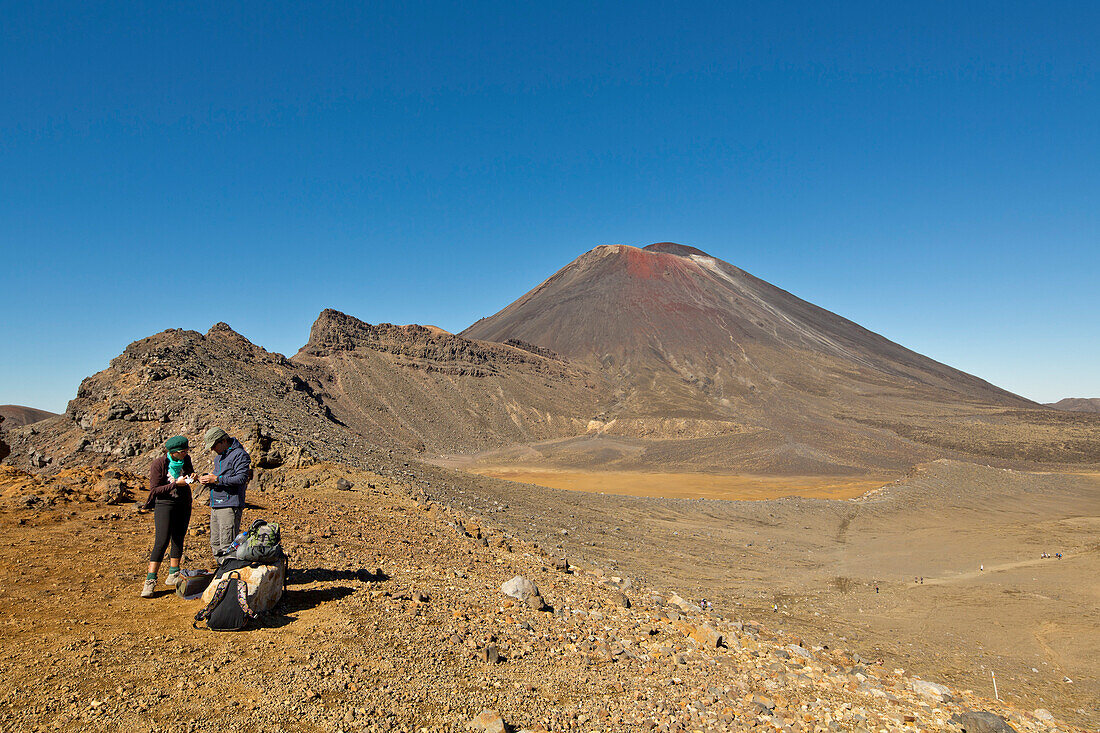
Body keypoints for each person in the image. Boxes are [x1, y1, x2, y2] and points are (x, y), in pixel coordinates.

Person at [142, 435, 195, 598]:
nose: (185, 454)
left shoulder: (186, 460)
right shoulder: (159, 464)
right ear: (173, 452)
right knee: (162, 540)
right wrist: (175, 484)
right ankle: (150, 580)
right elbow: (154, 490)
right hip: (165, 504)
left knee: (178, 537)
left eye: (186, 451)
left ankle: (173, 573)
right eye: (182, 452)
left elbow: (189, 473)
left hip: (183, 503)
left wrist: (192, 478)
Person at [199, 427, 251, 559]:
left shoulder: (240, 455)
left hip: (229, 505)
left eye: (213, 446)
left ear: (222, 441)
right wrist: (208, 479)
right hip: (216, 504)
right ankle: (221, 571)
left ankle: (229, 574)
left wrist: (216, 479)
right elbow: (220, 477)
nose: (212, 450)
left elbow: (241, 478)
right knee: (215, 543)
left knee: (227, 545)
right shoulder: (219, 458)